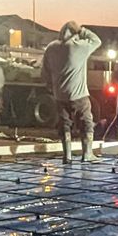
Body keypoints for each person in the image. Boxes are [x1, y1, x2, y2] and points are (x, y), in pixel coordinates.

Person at [42, 21, 102, 161]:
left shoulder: (51, 48)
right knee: (86, 122)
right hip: (79, 95)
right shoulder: (79, 47)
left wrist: (51, 86)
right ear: (75, 34)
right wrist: (81, 30)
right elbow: (97, 41)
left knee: (64, 123)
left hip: (59, 95)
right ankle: (87, 154)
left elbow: (45, 71)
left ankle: (67, 155)